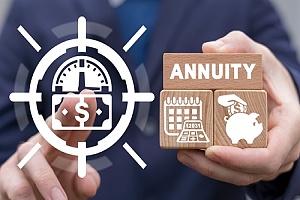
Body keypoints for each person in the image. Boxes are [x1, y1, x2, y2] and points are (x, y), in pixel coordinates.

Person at [0, 0, 300, 199]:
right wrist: (17, 180)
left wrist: (291, 136)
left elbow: (285, 88)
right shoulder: (32, 7)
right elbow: (7, 143)